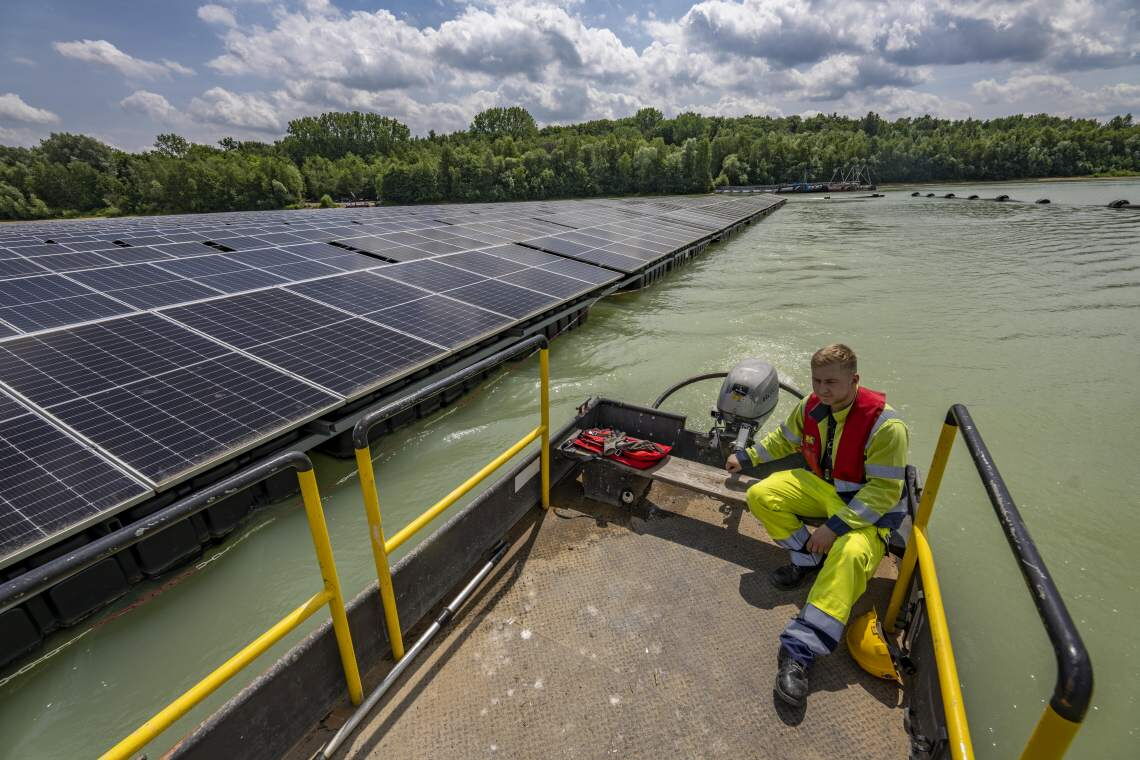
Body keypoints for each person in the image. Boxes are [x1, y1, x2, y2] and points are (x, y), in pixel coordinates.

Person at [724, 343, 908, 708]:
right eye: (817, 380)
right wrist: (745, 457)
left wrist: (834, 528)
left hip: (868, 510)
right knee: (763, 494)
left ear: (855, 380)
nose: (823, 390)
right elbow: (783, 440)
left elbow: (885, 492)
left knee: (850, 554)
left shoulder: (887, 427)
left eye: (832, 382)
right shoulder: (811, 406)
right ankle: (807, 561)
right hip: (824, 488)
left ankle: (800, 649)